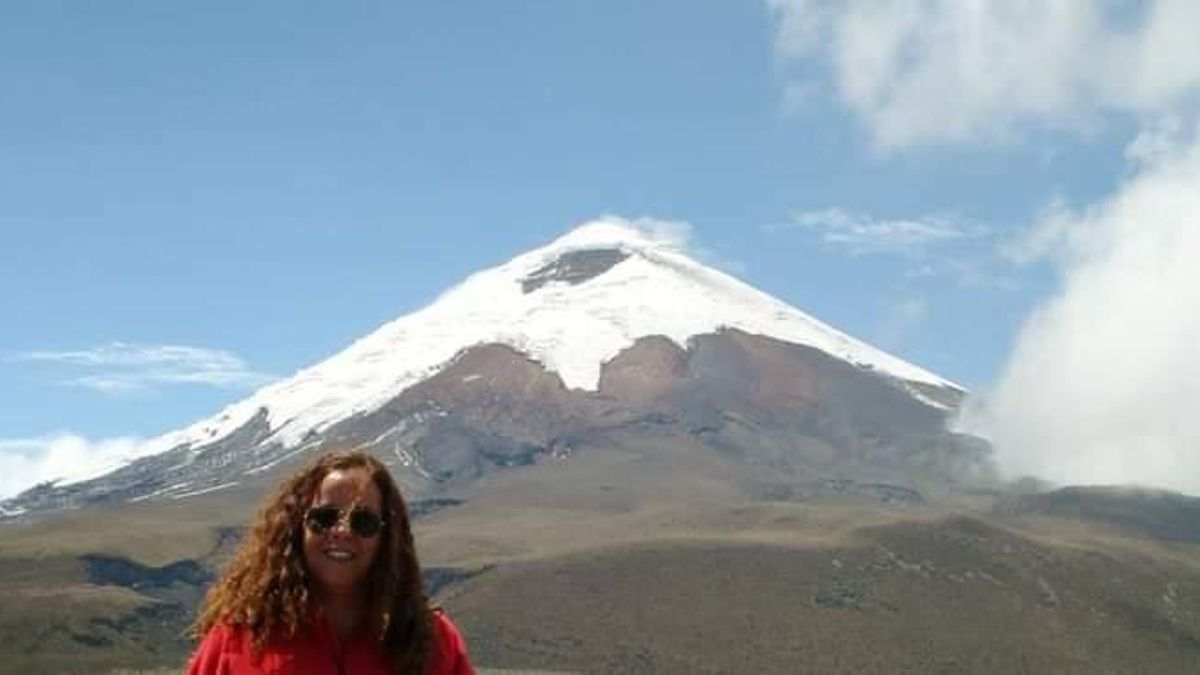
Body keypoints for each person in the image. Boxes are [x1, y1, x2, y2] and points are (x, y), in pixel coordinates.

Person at [187, 449, 474, 674]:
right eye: (324, 518)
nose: (342, 531)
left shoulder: (430, 639)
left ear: (387, 537)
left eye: (363, 521)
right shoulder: (240, 636)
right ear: (296, 525)